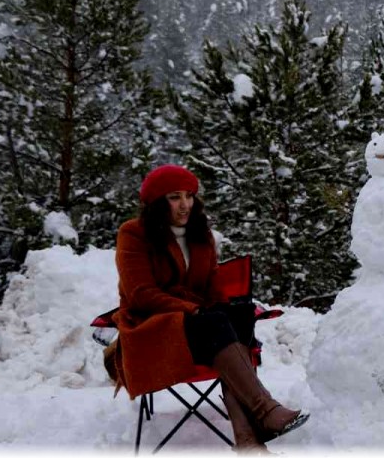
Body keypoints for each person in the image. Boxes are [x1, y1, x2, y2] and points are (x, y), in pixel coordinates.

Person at [113, 165, 308, 452]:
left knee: (238, 314)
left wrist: (222, 308)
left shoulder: (200, 234)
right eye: (174, 197)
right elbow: (141, 294)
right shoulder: (134, 234)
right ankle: (263, 412)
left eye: (189, 196)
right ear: (156, 202)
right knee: (214, 322)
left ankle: (248, 439)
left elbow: (214, 288)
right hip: (156, 327)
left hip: (202, 329)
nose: (185, 204)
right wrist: (192, 309)